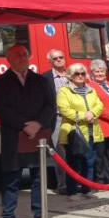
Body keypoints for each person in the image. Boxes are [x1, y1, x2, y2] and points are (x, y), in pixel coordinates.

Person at [0, 44, 57, 218]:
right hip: (14, 136)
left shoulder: (40, 80)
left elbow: (50, 105)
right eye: (18, 55)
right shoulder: (1, 82)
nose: (23, 57)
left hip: (38, 136)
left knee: (39, 177)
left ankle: (40, 215)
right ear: (8, 59)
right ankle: (8, 217)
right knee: (11, 178)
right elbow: (1, 109)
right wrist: (23, 125)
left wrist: (37, 124)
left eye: (25, 54)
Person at [56, 63, 102, 199]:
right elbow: (64, 109)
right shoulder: (64, 91)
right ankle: (71, 191)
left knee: (89, 162)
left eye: (83, 73)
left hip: (91, 130)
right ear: (70, 76)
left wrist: (93, 113)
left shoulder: (91, 89)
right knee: (73, 163)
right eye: (77, 74)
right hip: (73, 132)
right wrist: (83, 116)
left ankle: (86, 189)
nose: (81, 76)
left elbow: (99, 104)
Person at [88, 59, 109, 182]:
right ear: (92, 73)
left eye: (102, 71)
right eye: (97, 72)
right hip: (102, 124)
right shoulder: (90, 87)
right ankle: (100, 177)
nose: (100, 74)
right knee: (99, 154)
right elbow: (94, 105)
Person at [42, 49, 69, 194]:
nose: (59, 60)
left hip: (75, 119)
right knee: (60, 153)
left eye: (61, 57)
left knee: (77, 152)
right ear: (50, 62)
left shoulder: (73, 74)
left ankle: (78, 182)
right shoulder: (45, 78)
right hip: (57, 118)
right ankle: (63, 185)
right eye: (55, 58)